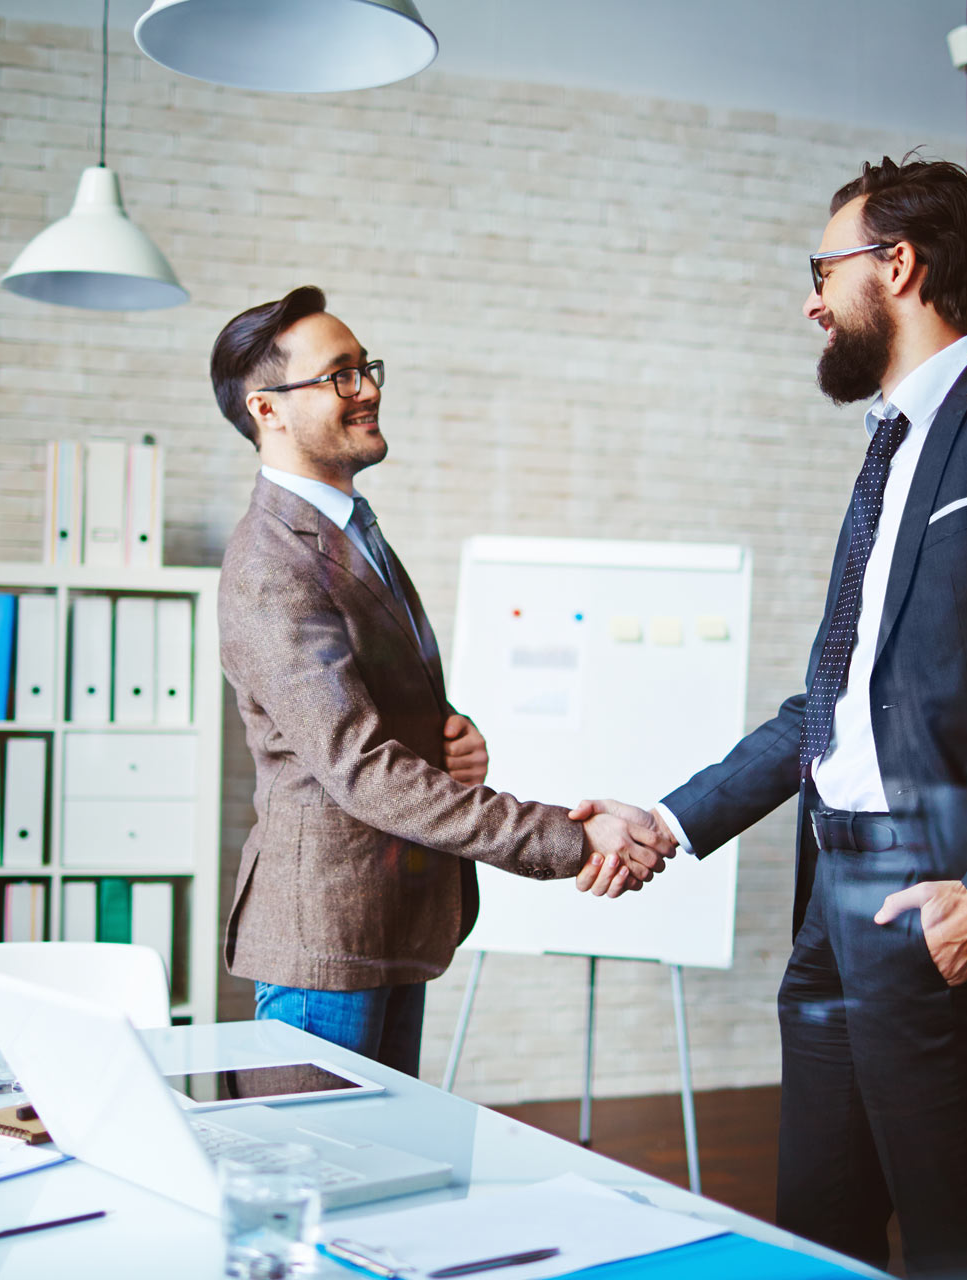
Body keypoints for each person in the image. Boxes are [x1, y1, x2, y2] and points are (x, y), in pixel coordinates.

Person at [575, 157, 967, 1272]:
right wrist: (667, 820)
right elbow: (835, 704)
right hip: (832, 895)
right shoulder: (890, 451)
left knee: (961, 1243)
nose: (810, 301)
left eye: (823, 269)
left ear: (896, 265)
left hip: (937, 892)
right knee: (817, 1229)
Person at [211, 286, 675, 1076]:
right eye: (340, 375)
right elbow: (360, 766)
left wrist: (449, 732)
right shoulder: (270, 564)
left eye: (367, 368)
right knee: (312, 1157)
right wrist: (570, 838)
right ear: (268, 409)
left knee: (385, 1155)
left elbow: (367, 697)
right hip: (325, 942)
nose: (368, 389)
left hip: (386, 923)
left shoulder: (349, 528)